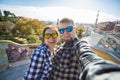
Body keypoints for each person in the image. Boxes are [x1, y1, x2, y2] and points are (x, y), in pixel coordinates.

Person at [49, 18, 120, 80]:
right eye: (61, 30)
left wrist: (104, 73)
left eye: (68, 29)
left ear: (75, 29)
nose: (65, 33)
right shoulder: (62, 46)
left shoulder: (79, 45)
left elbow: (88, 57)